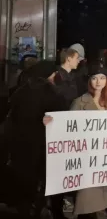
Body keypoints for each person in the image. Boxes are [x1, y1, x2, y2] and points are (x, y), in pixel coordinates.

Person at [44, 65, 107, 218]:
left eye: (101, 78)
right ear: (89, 81)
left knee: (101, 194)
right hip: (86, 158)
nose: (98, 82)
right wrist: (51, 123)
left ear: (106, 81)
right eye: (94, 78)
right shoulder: (79, 102)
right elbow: (68, 128)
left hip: (104, 158)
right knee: (86, 199)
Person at [7, 61, 67, 218]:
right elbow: (60, 121)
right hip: (44, 146)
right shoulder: (53, 94)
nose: (55, 76)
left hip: (20, 145)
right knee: (47, 181)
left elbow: (11, 117)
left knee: (25, 181)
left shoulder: (20, 92)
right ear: (49, 75)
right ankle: (49, 210)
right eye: (54, 74)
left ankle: (25, 210)